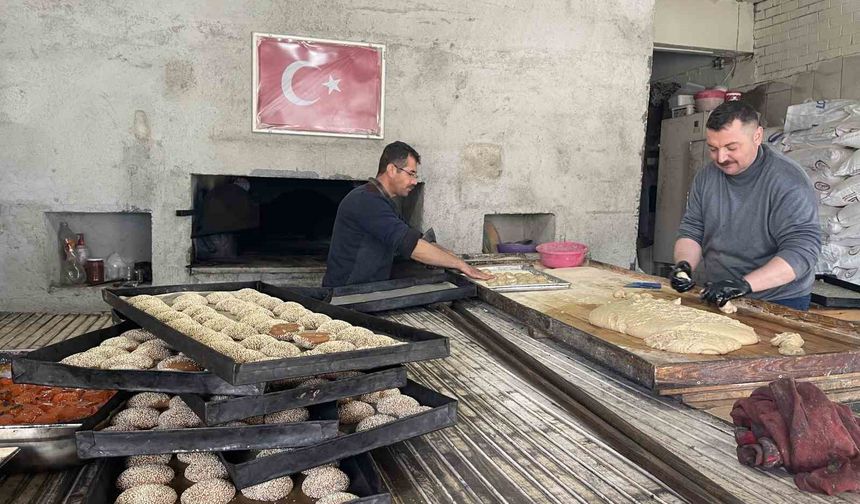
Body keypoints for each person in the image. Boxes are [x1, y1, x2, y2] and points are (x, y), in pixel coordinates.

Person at [668, 101, 820, 311]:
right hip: (720, 292)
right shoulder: (706, 178)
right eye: (713, 149)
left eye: (731, 148)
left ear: (757, 136)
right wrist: (683, 266)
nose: (721, 158)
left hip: (778, 300)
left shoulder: (787, 181)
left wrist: (744, 284)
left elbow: (802, 251)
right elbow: (693, 230)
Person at [323, 141, 493, 287]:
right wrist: (461, 265)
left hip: (366, 291)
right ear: (391, 169)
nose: (414, 181)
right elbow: (411, 246)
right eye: (411, 173)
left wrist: (452, 256)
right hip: (346, 295)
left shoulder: (382, 201)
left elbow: (415, 238)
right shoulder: (366, 201)